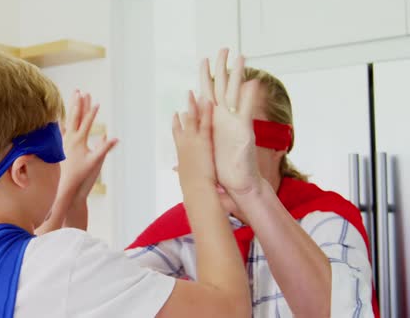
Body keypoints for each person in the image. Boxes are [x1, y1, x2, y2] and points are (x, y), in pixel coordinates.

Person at [0, 43, 253, 317]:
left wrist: (70, 198)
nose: (64, 158)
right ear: (22, 171)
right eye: (57, 147)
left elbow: (55, 291)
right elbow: (229, 310)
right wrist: (198, 183)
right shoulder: (64, 264)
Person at [126, 49, 378, 318]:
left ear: (281, 142)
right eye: (208, 132)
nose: (217, 150)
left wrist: (251, 192)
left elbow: (339, 312)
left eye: (235, 131)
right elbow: (108, 298)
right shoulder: (180, 233)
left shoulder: (325, 223)